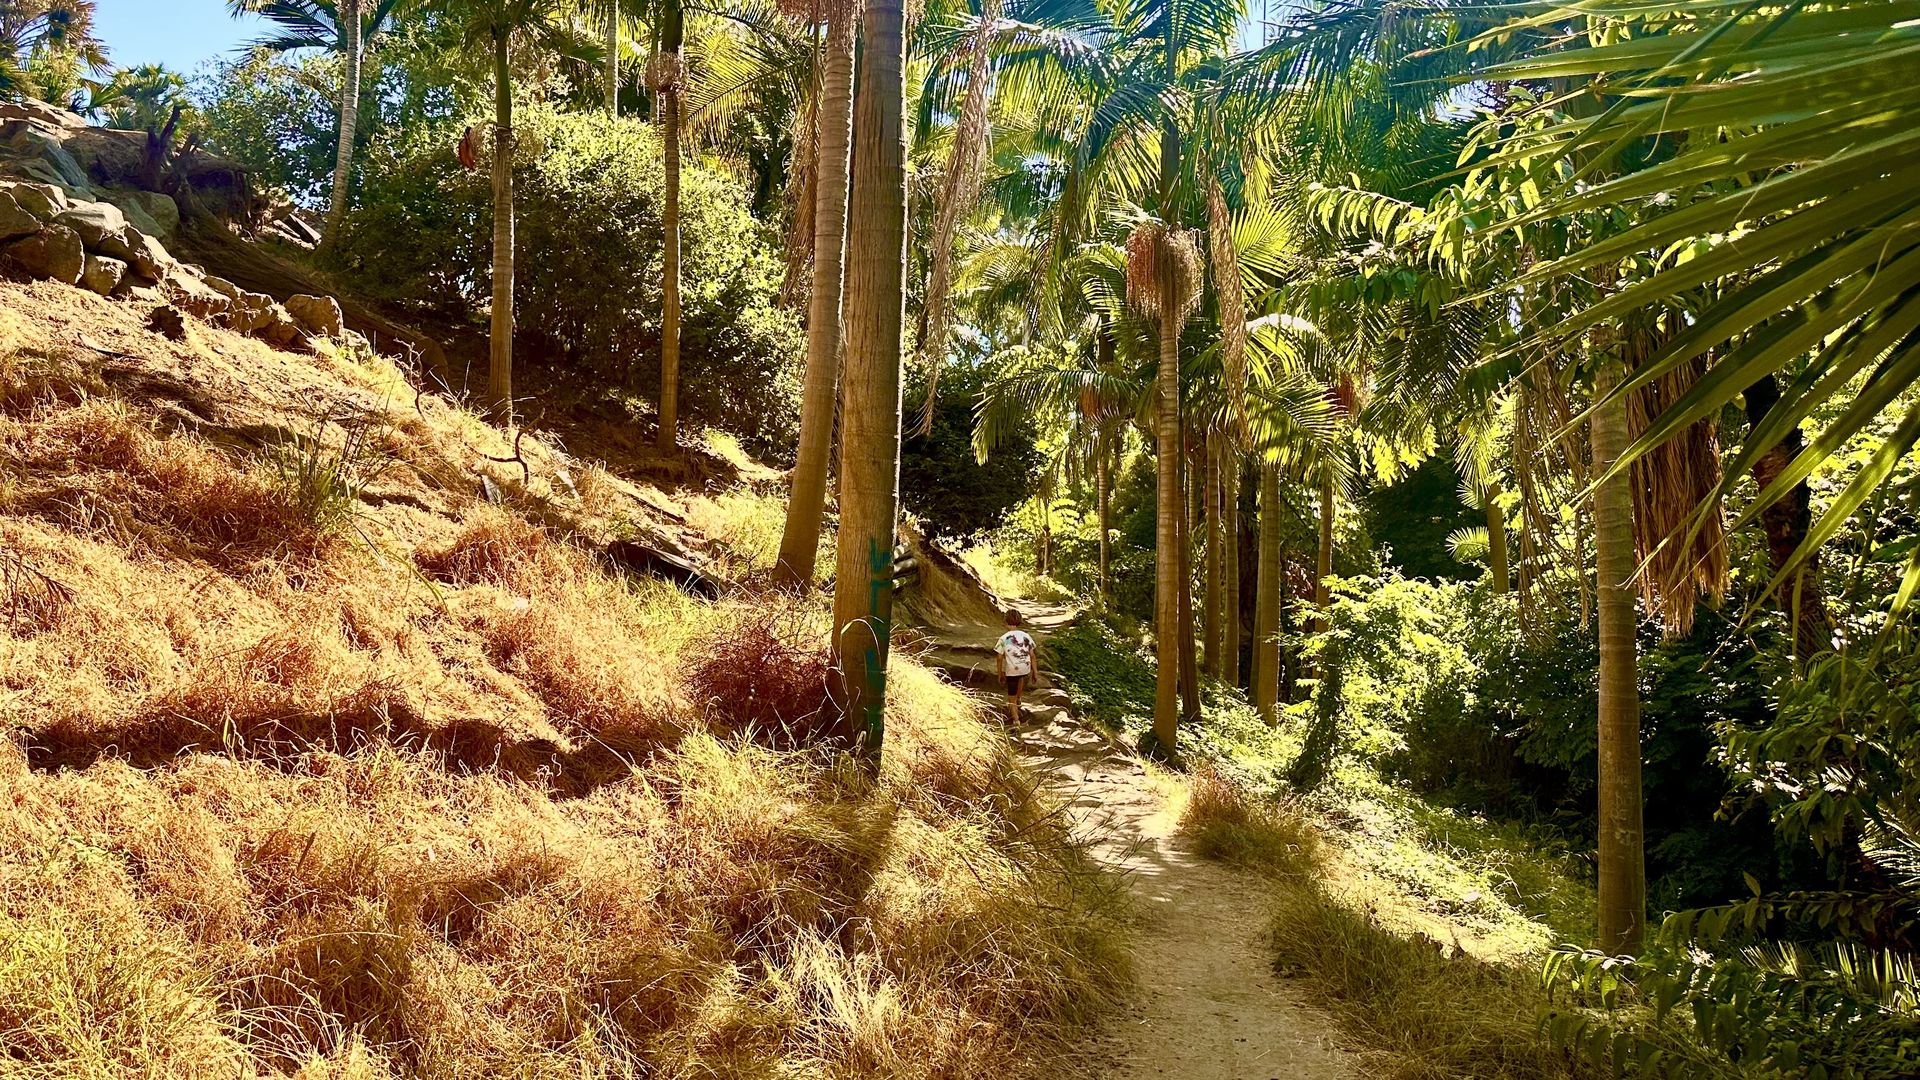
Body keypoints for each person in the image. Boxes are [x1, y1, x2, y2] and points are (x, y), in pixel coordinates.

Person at [994, 610, 1038, 724]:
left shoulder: (1003, 638)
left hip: (1013, 670)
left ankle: (1016, 720)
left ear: (1005, 622)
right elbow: (1032, 655)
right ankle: (1019, 698)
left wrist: (1000, 673)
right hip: (1025, 668)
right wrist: (1035, 672)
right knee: (1021, 678)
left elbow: (999, 658)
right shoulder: (1026, 636)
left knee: (1011, 697)